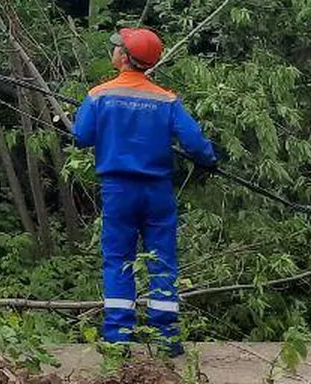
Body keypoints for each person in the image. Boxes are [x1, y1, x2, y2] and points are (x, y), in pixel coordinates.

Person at [70, 27, 217, 355]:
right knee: (163, 262)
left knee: (118, 260)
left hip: (118, 191)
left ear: (123, 57)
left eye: (116, 47)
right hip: (157, 192)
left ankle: (118, 338)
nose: (114, 50)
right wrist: (209, 160)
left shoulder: (99, 95)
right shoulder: (166, 99)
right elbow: (194, 143)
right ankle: (166, 341)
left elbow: (80, 137)